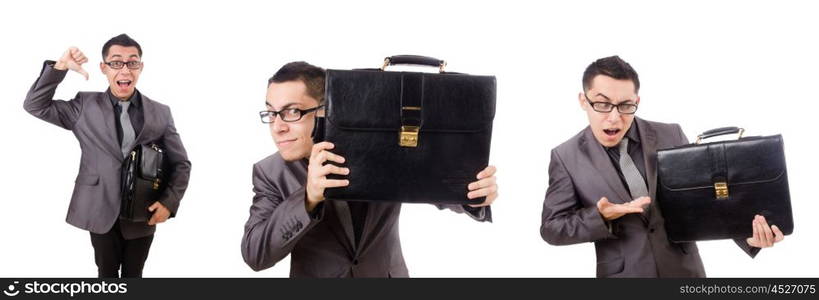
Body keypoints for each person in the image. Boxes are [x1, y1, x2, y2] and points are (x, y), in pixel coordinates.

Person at [241, 61, 497, 277]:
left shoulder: (378, 147)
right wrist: (308, 197)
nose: (277, 127)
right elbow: (255, 254)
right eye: (271, 113)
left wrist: (471, 194)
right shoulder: (269, 173)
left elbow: (428, 180)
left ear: (326, 110)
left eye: (292, 111)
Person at [539, 55, 784, 277]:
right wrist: (601, 216)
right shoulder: (566, 156)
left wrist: (749, 237)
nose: (614, 117)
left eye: (625, 105)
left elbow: (705, 200)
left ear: (637, 101)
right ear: (584, 100)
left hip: (685, 273)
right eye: (602, 104)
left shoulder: (670, 135)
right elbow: (552, 228)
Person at [23, 34, 192, 278]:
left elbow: (181, 163)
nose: (125, 69)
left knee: (135, 273)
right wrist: (60, 68)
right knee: (106, 273)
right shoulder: (84, 105)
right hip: (99, 206)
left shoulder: (160, 113)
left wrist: (169, 201)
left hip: (143, 211)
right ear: (104, 68)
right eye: (116, 62)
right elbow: (34, 105)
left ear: (140, 67)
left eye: (132, 62)